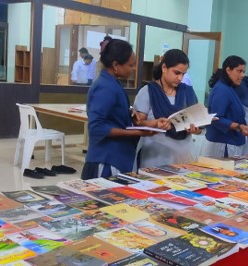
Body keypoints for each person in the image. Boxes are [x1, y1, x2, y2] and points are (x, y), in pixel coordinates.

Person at [82, 39, 169, 180]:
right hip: (107, 160)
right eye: (131, 65)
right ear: (115, 65)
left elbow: (113, 114)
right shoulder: (105, 87)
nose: (134, 69)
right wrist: (135, 132)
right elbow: (96, 127)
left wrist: (130, 113)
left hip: (119, 157)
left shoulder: (113, 83)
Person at [133, 49, 201, 168]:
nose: (180, 78)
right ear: (164, 68)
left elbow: (199, 121)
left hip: (184, 154)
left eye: (183, 74)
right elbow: (138, 123)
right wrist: (155, 123)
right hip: (156, 155)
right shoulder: (148, 91)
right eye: (177, 73)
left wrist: (197, 129)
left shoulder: (187, 91)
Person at [202, 55, 248, 158]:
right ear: (228, 70)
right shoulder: (222, 90)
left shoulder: (229, 88)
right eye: (239, 71)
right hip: (222, 143)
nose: (242, 75)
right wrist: (238, 126)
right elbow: (216, 118)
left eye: (243, 72)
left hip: (232, 141)